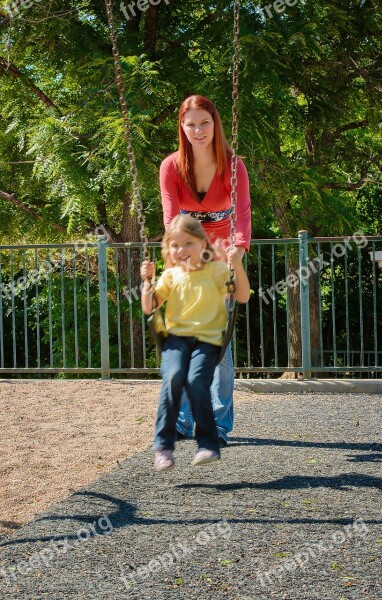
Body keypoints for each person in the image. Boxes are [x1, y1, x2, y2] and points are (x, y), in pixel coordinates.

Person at [159, 95, 251, 446]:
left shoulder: (232, 166)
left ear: (216, 125)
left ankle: (219, 422)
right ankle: (182, 421)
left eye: (205, 123)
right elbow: (171, 218)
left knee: (219, 343)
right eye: (190, 124)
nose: (198, 130)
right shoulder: (171, 167)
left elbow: (241, 214)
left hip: (222, 253)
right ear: (182, 128)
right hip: (186, 254)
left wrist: (238, 251)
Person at [141, 215, 250, 472]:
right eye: (175, 245)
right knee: (173, 377)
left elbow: (242, 296)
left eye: (188, 243)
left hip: (208, 340)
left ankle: (208, 444)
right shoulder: (170, 275)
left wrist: (236, 264)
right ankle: (164, 447)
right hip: (176, 340)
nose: (181, 250)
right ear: (169, 250)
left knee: (196, 380)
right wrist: (146, 282)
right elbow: (149, 307)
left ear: (203, 244)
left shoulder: (217, 271)